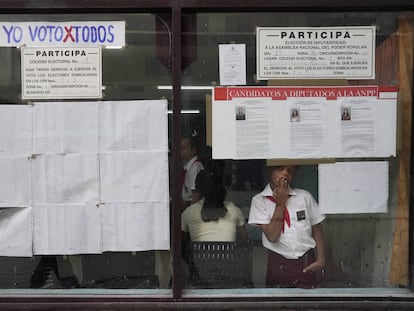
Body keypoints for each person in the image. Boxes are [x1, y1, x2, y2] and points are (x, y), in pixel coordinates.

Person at [248, 165, 325, 288]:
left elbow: (317, 228)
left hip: (306, 260)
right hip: (278, 262)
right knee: (278, 304)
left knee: (309, 303)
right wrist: (280, 203)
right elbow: (272, 236)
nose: (285, 173)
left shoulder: (304, 197)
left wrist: (320, 259)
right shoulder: (259, 200)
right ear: (270, 170)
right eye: (280, 169)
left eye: (290, 171)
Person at [182, 169, 248, 242]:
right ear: (222, 188)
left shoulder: (189, 212)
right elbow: (244, 240)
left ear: (198, 190)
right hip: (229, 253)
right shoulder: (234, 210)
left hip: (199, 253)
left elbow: (180, 243)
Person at [181, 132, 205, 208]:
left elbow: (196, 195)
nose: (179, 152)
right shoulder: (186, 167)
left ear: (193, 151)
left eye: (183, 149)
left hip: (192, 205)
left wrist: (190, 212)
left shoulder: (195, 167)